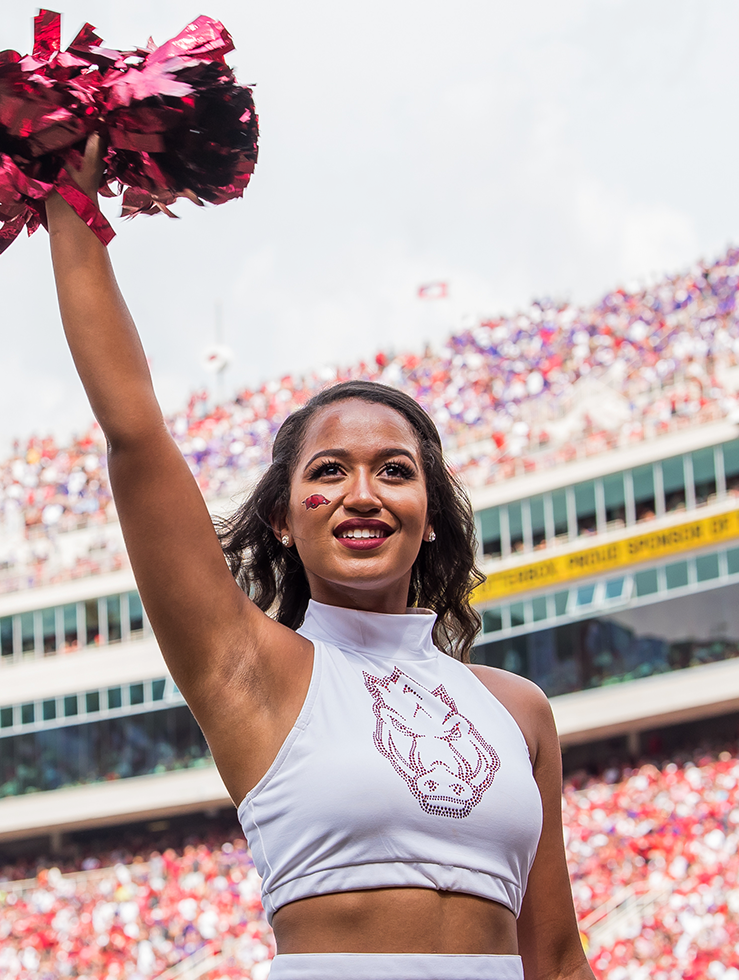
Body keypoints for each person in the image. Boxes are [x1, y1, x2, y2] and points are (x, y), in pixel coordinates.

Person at [43, 134, 595, 980]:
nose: (363, 493)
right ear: (280, 520)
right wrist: (69, 213)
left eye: (396, 472)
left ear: (432, 517)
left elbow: (554, 957)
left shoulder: (521, 711)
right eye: (329, 471)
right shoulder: (251, 669)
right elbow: (135, 433)